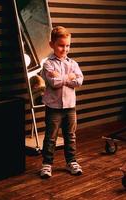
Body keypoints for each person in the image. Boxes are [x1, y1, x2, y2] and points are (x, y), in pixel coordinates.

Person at [40, 26, 84, 178]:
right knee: (51, 137)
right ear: (52, 44)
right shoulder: (48, 64)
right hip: (54, 107)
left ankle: (71, 161)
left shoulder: (73, 63)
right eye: (61, 45)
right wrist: (69, 77)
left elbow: (79, 81)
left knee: (70, 135)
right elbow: (53, 82)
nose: (65, 49)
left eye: (67, 45)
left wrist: (63, 77)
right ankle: (47, 164)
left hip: (70, 107)